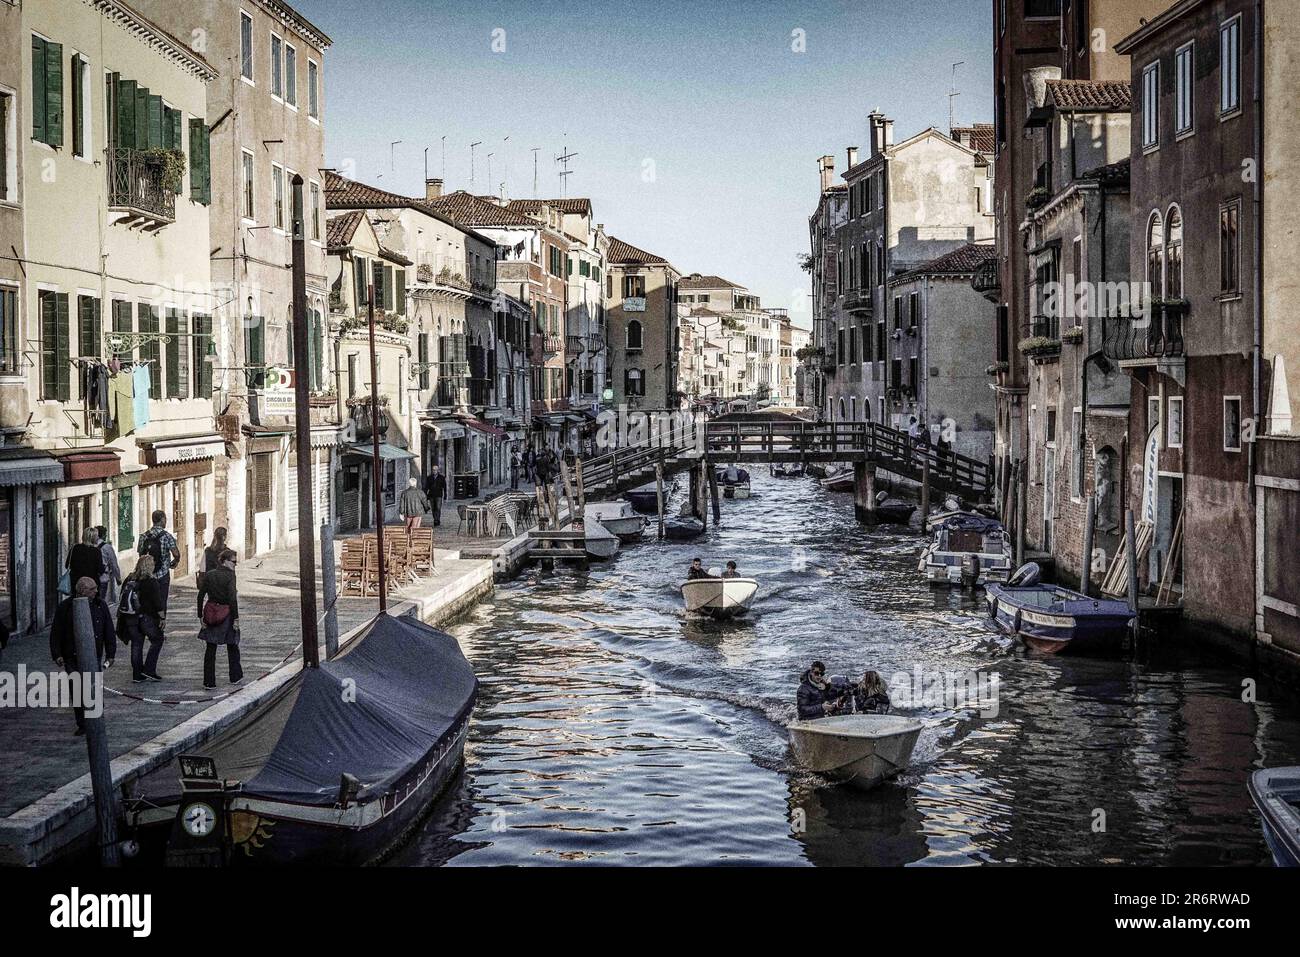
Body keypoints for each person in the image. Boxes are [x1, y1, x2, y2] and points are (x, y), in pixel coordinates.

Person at [49, 577, 116, 735]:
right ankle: (82, 723)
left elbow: (108, 630)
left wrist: (111, 653)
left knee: (93, 688)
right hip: (71, 656)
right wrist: (57, 654)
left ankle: (96, 720)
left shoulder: (100, 605)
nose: (96, 591)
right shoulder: (65, 607)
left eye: (95, 588)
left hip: (94, 654)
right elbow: (56, 632)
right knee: (77, 689)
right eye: (92, 589)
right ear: (82, 591)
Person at [197, 548, 243, 690]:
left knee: (211, 648)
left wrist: (200, 616)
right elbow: (232, 599)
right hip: (226, 613)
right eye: (233, 562)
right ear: (224, 561)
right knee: (232, 645)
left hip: (211, 613)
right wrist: (236, 619)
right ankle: (235, 676)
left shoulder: (210, 575)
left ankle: (209, 681)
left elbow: (200, 596)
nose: (235, 564)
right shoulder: (230, 576)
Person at [119, 555, 165, 682]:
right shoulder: (151, 581)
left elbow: (122, 596)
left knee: (136, 644)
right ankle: (149, 670)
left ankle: (137, 674)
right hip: (146, 617)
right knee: (157, 640)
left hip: (131, 616)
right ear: (149, 566)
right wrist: (162, 618)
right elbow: (158, 602)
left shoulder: (130, 578)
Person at [138, 511, 179, 616]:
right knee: (161, 600)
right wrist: (175, 561)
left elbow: (140, 554)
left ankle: (147, 623)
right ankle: (161, 622)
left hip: (146, 575)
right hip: (162, 574)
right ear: (162, 520)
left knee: (146, 600)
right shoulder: (167, 536)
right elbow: (176, 553)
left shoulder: (143, 536)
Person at [66, 527, 104, 595]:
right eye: (96, 536)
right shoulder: (96, 551)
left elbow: (67, 565)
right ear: (92, 537)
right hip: (92, 585)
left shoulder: (75, 548)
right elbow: (100, 569)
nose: (98, 538)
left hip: (76, 584)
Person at [96, 525, 122, 605]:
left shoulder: (90, 545)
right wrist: (118, 578)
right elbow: (113, 563)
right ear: (104, 535)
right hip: (103, 578)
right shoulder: (107, 547)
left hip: (91, 577)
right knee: (100, 601)